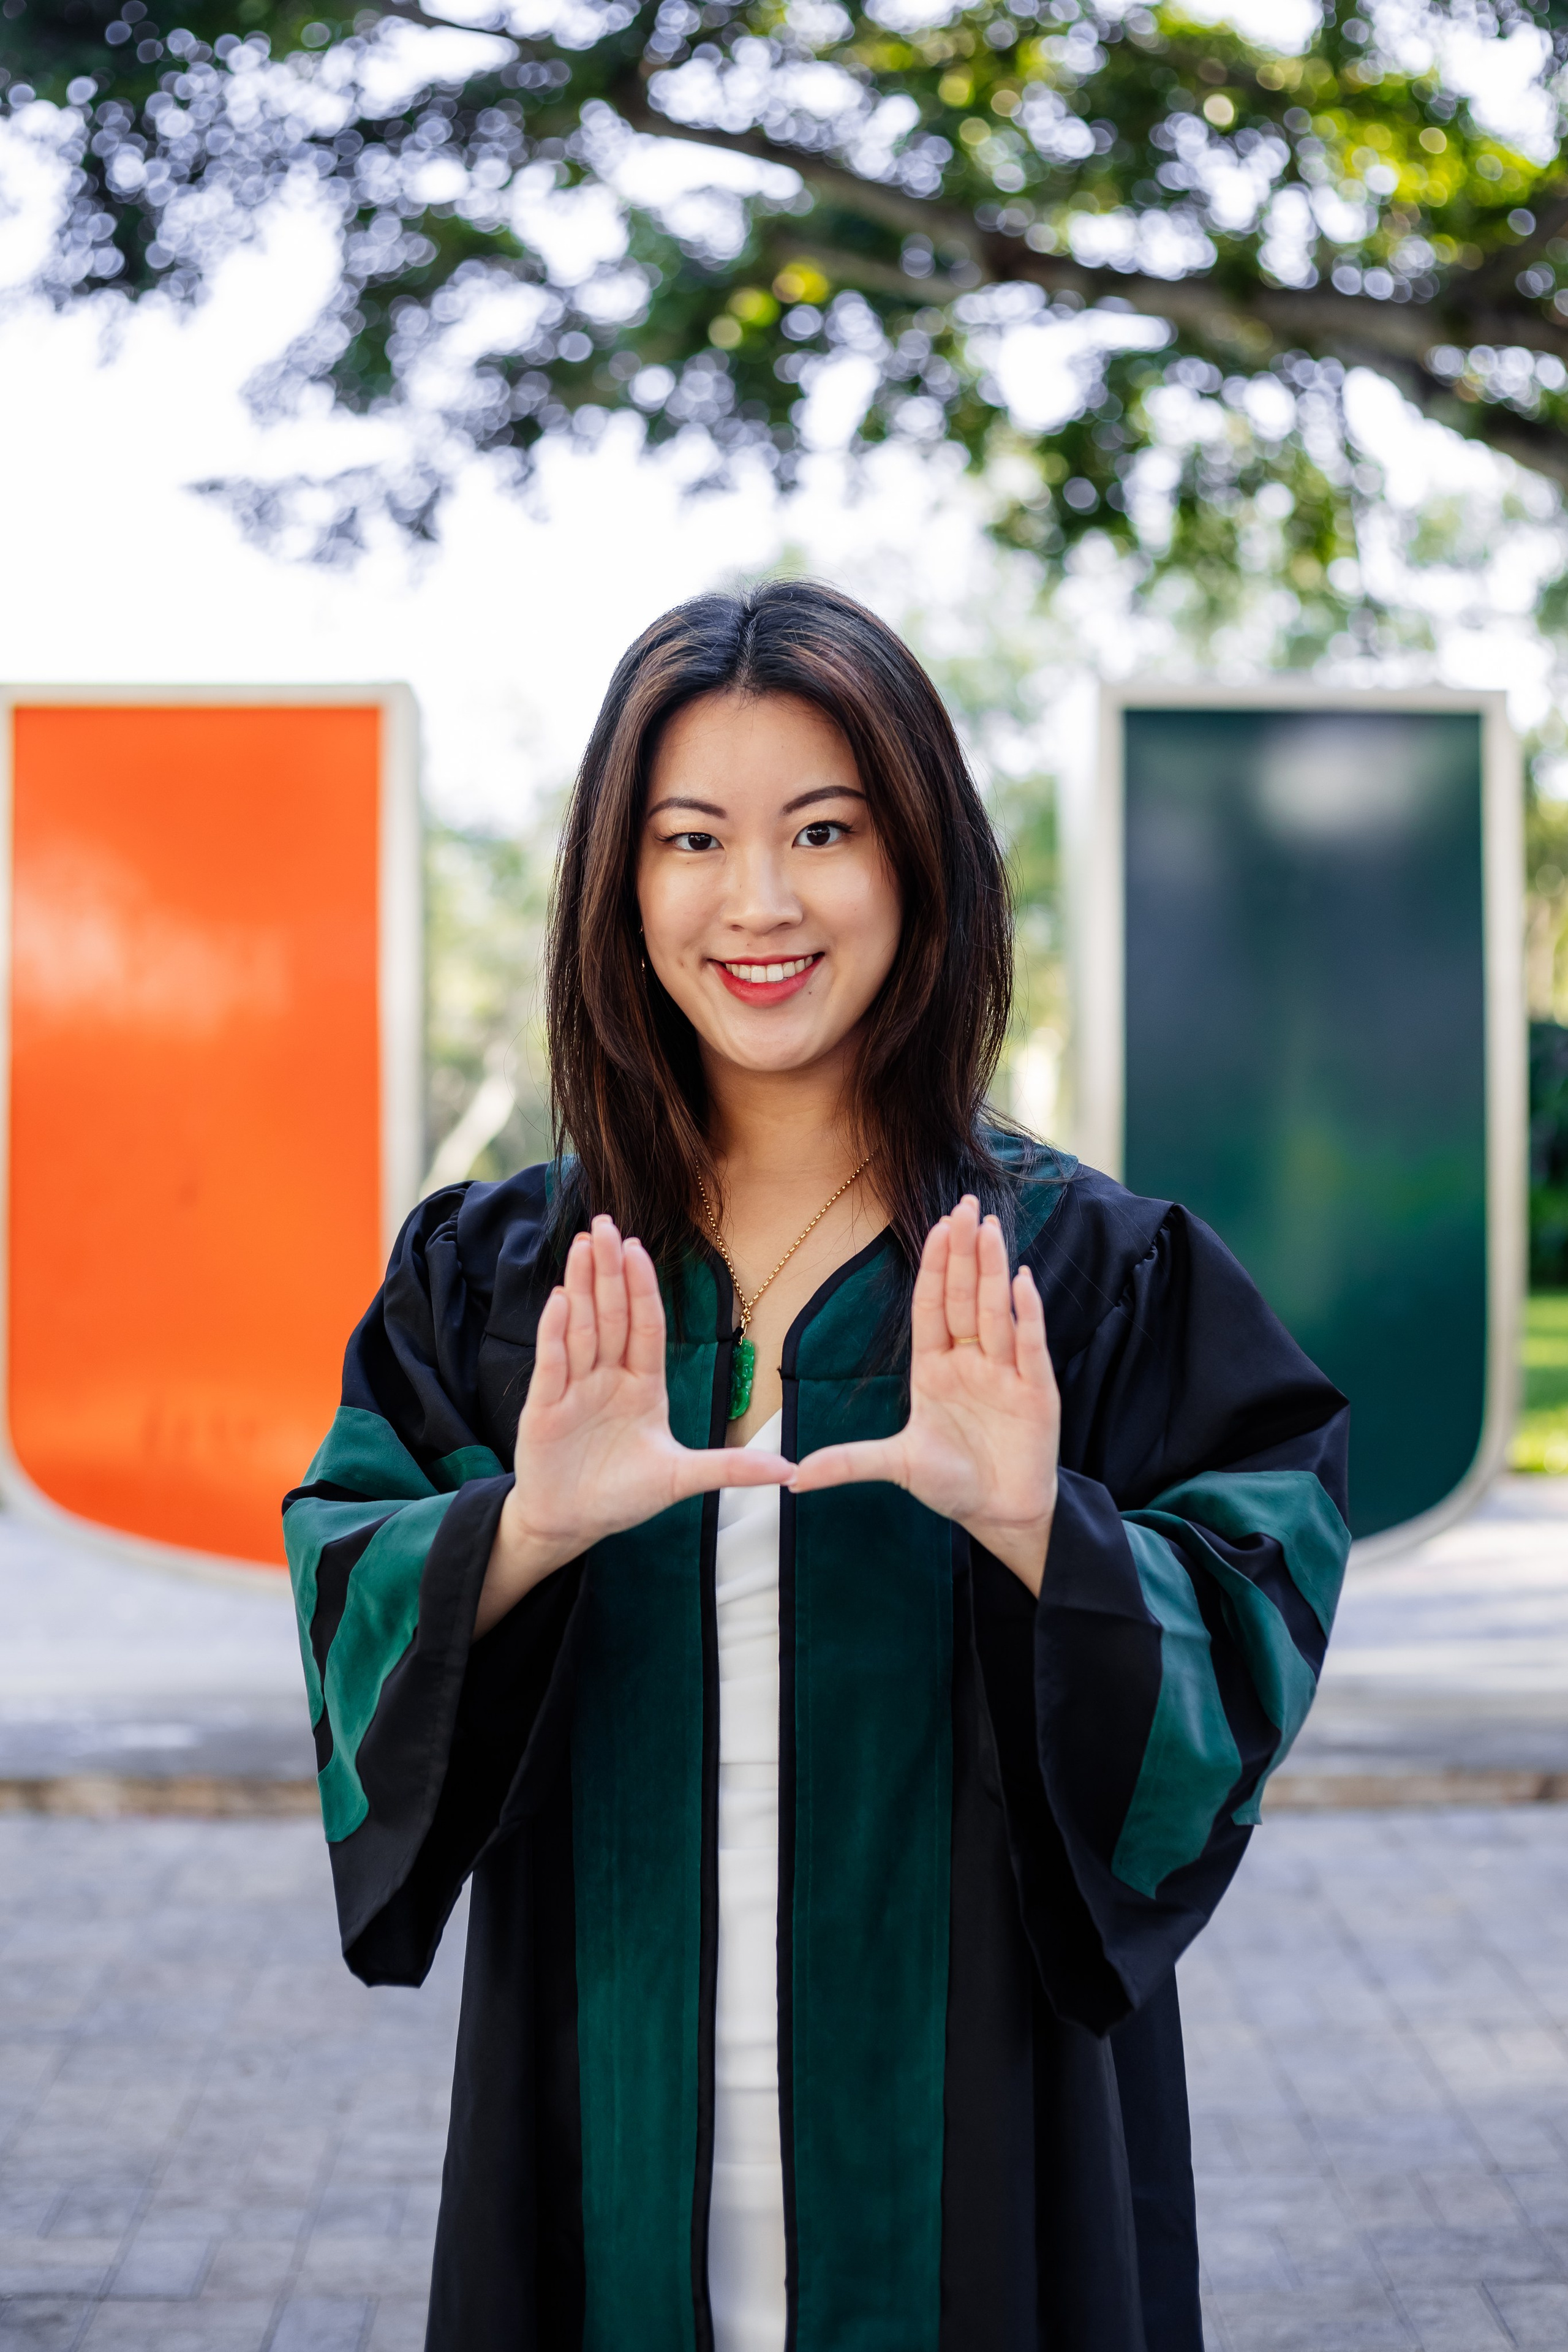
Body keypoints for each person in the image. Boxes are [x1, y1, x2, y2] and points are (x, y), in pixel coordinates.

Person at [284, 580, 1349, 2352]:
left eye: (825, 831)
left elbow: (1253, 1607)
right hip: (605, 2106)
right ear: (620, 888)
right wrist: (525, 1531)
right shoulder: (504, 1284)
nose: (758, 901)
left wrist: (1040, 1523)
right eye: (691, 838)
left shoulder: (1080, 1276)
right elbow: (351, 1578)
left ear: (919, 863)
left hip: (984, 2150)